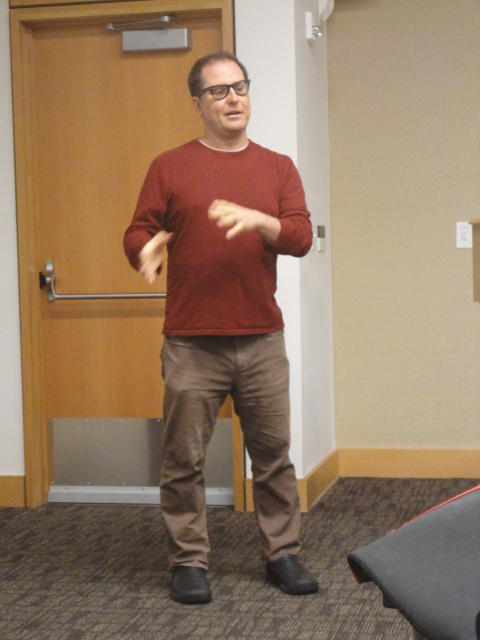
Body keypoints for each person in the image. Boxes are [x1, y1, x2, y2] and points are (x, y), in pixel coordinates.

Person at [123, 51, 319, 605]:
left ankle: (282, 554)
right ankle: (188, 562)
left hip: (261, 339)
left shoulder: (277, 167)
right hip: (191, 343)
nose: (234, 98)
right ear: (198, 103)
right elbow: (138, 230)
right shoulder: (170, 166)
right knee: (182, 460)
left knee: (273, 457)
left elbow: (301, 237)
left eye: (240, 87)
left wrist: (261, 221)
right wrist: (145, 250)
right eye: (219, 91)